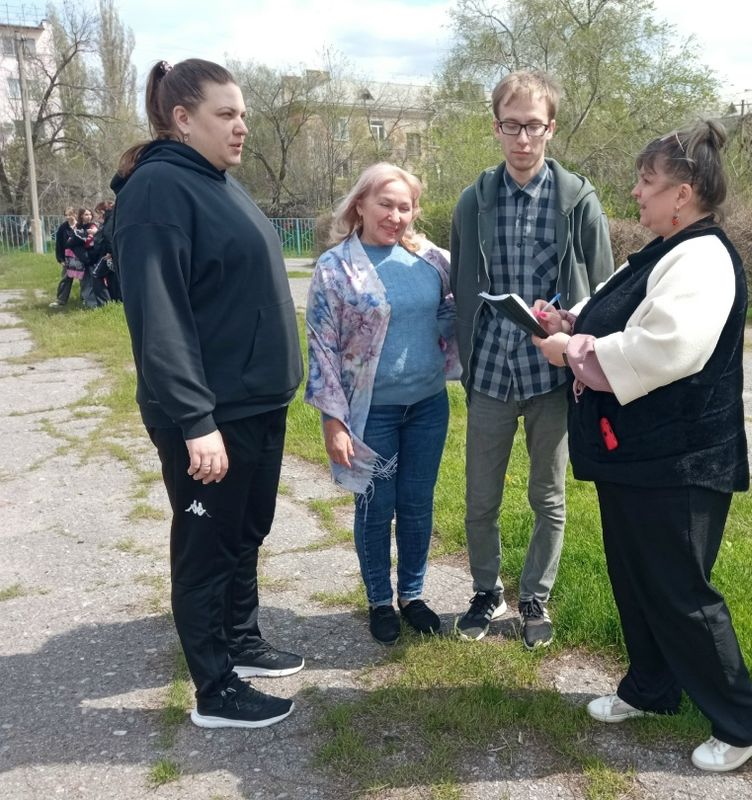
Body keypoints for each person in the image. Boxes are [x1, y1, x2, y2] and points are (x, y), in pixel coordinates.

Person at [532, 120, 752, 772]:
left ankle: (746, 722)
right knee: (636, 579)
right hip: (640, 456)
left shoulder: (703, 258)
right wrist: (570, 323)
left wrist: (573, 350)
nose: (636, 193)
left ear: (684, 192)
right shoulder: (665, 249)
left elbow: (667, 347)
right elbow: (621, 319)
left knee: (678, 592)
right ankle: (650, 688)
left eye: (647, 182)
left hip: (680, 460)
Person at [111, 58, 305, 729]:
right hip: (211, 413)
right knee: (205, 547)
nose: (241, 126)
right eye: (226, 114)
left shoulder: (216, 180)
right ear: (182, 118)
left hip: (255, 401)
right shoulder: (157, 191)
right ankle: (214, 690)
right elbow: (159, 317)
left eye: (242, 113)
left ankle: (240, 641)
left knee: (245, 532)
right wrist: (196, 420)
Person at [449, 70, 613, 649]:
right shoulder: (474, 201)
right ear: (496, 127)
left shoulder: (578, 202)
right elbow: (461, 282)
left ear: (551, 128)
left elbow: (604, 291)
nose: (523, 139)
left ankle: (535, 596)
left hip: (553, 374)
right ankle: (486, 592)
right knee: (480, 498)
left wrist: (573, 327)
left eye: (534, 126)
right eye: (512, 125)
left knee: (548, 495)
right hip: (491, 371)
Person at [305, 163, 458, 646]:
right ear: (360, 205)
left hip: (428, 406)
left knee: (416, 504)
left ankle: (412, 595)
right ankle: (379, 600)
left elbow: (453, 311)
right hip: (372, 413)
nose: (395, 216)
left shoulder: (431, 259)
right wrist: (333, 421)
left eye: (404, 207)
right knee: (376, 506)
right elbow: (323, 346)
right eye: (385, 204)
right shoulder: (336, 267)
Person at [49, 208, 76, 308]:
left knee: (84, 280)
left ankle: (85, 299)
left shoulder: (79, 226)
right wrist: (60, 259)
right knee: (66, 278)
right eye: (66, 215)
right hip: (68, 257)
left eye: (69, 215)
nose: (68, 217)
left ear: (74, 214)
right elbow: (59, 244)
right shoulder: (63, 228)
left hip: (80, 257)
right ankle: (61, 300)